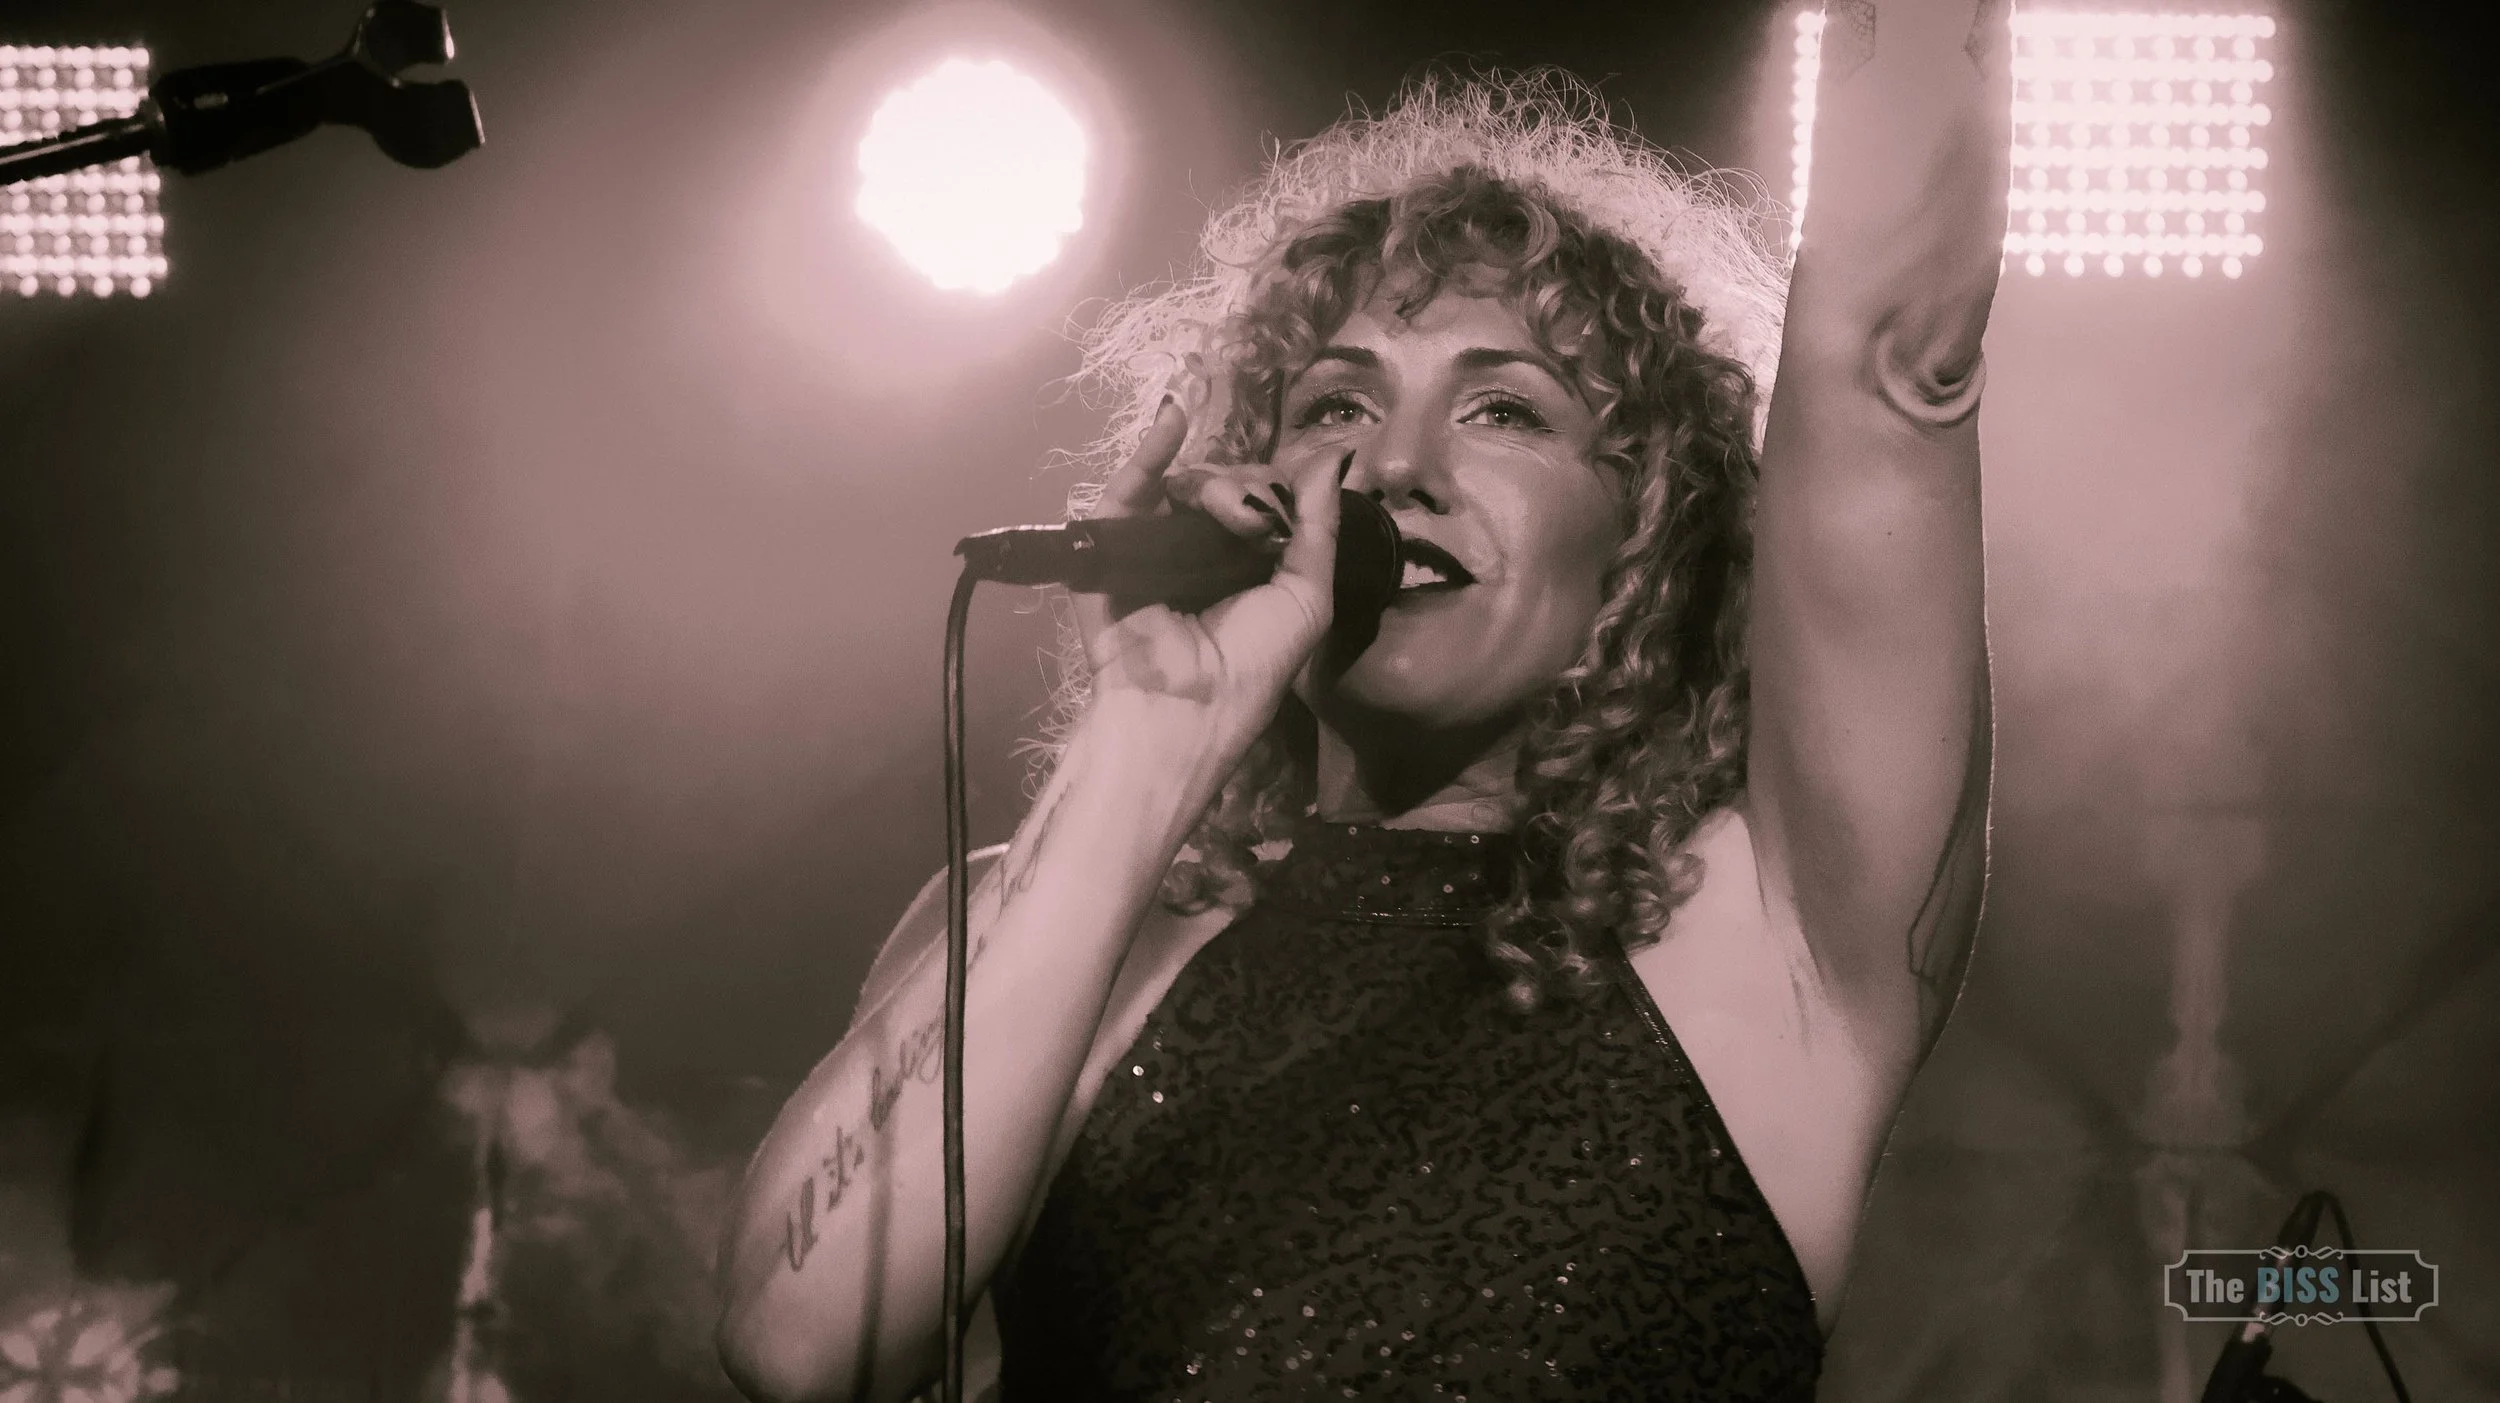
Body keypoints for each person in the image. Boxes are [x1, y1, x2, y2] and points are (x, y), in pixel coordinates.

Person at [717, 0, 2009, 1396]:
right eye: (1335, 405)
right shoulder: (1054, 920)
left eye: (1503, 408)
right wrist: (1149, 748)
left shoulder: (1774, 932)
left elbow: (1892, 367)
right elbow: (800, 1346)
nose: (1393, 468)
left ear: (1645, 537)